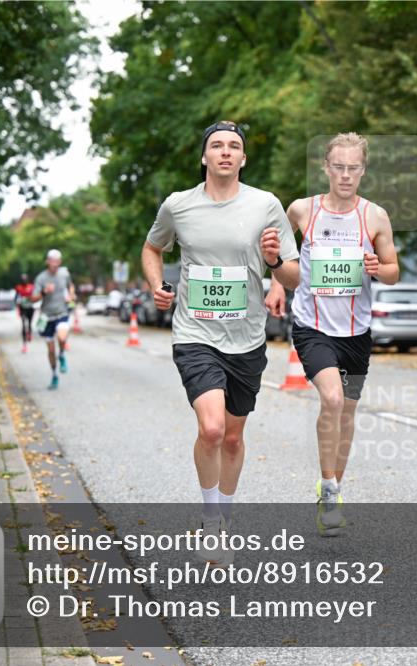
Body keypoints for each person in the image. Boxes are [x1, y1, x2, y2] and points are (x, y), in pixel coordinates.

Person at [141, 120, 299, 564]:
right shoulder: (179, 206)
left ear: (243, 159)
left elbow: (294, 274)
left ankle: (223, 517)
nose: (225, 152)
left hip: (246, 337)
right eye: (217, 145)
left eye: (234, 146)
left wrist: (273, 264)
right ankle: (211, 523)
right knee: (210, 428)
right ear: (205, 157)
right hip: (195, 332)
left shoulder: (266, 205)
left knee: (232, 438)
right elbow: (153, 248)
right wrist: (157, 285)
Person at [266, 132, 400, 536]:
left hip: (357, 332)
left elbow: (394, 271)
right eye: (338, 167)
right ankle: (328, 489)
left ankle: (334, 489)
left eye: (353, 168)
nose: (345, 175)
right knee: (333, 398)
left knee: (348, 413)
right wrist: (276, 283)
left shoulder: (374, 216)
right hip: (313, 326)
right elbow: (281, 255)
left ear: (363, 169)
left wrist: (378, 268)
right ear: (325, 168)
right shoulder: (301, 211)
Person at [29, 249, 75, 389]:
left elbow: (71, 286)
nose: (54, 264)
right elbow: (33, 298)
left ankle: (61, 354)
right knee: (50, 350)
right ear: (47, 262)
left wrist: (71, 295)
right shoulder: (41, 278)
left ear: (60, 262)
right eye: (52, 261)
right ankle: (54, 375)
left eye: (57, 261)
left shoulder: (64, 273)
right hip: (47, 316)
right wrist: (44, 292)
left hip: (62, 313)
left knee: (62, 338)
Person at [14, 273, 35, 353]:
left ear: (27, 280)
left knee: (29, 323)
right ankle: (24, 345)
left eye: (25, 279)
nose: (24, 280)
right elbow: (15, 298)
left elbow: (35, 296)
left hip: (30, 308)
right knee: (23, 324)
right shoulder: (18, 288)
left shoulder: (31, 287)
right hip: (22, 308)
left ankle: (29, 333)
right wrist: (18, 303)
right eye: (22, 279)